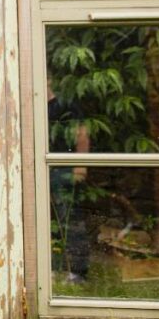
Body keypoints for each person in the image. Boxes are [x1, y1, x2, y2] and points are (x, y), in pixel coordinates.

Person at [47, 74, 91, 284]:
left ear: (49, 80)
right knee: (45, 222)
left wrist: (80, 166)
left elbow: (82, 134)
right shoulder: (29, 105)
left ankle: (78, 273)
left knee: (70, 220)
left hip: (64, 170)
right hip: (38, 170)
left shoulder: (65, 105)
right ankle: (52, 270)